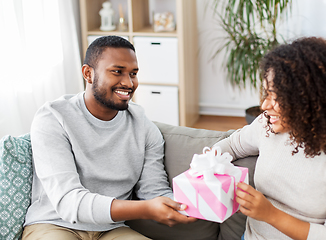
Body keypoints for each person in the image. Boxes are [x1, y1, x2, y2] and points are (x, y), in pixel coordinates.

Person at [22, 36, 196, 240]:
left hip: (111, 229)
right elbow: (69, 203)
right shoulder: (53, 118)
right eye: (117, 71)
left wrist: (193, 202)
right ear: (88, 73)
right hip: (54, 225)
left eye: (133, 74)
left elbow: (154, 191)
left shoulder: (144, 127)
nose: (129, 83)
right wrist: (146, 209)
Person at [214, 37, 326, 240]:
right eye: (266, 93)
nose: (264, 105)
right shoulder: (267, 125)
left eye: (275, 97)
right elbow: (232, 145)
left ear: (308, 100)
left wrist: (270, 214)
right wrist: (208, 161)